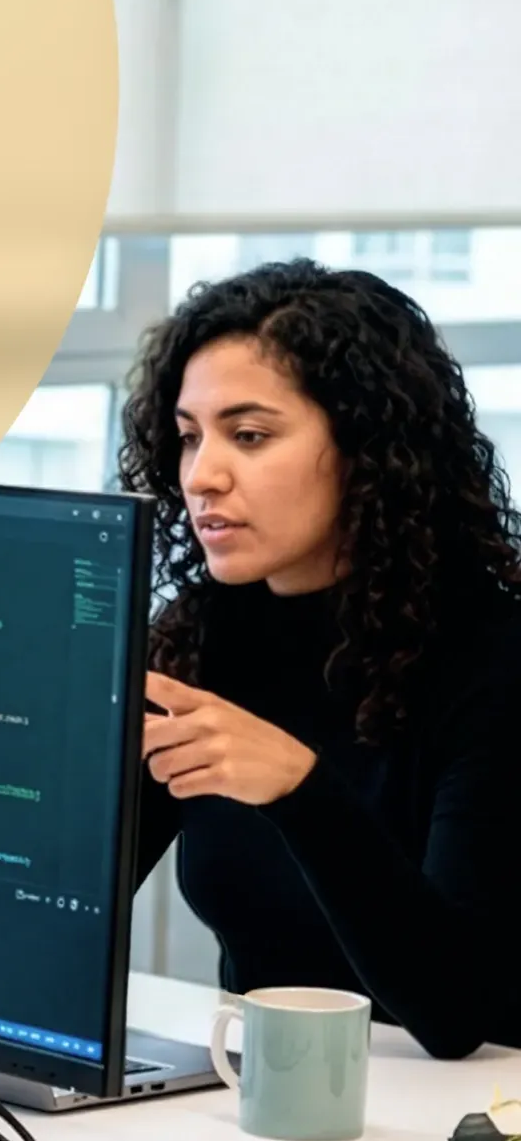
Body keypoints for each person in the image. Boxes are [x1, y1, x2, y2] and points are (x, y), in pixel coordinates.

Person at [119, 259, 521, 1059]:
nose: (202, 476)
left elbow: (454, 1013)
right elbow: (69, 896)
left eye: (249, 436)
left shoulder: (496, 661)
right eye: (190, 437)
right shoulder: (204, 634)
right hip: (257, 1097)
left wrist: (299, 790)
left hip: (464, 1110)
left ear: (367, 449)